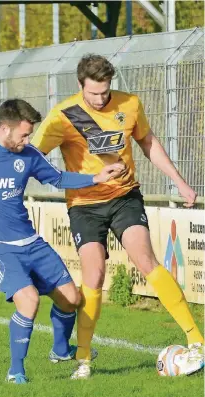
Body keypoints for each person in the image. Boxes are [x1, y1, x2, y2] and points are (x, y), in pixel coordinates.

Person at [32, 53, 204, 380]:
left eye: (105, 92)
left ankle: (196, 340)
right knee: (94, 276)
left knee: (146, 260)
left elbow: (148, 143)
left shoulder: (130, 105)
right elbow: (32, 157)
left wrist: (180, 182)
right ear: (80, 85)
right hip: (84, 204)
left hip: (125, 197)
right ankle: (83, 359)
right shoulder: (62, 116)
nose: (99, 99)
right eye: (93, 93)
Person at [0, 98, 125, 384]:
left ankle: (59, 350)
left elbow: (57, 178)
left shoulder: (28, 155)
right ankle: (16, 371)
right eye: (24, 134)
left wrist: (96, 177)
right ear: (5, 129)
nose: (28, 139)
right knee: (28, 301)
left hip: (30, 241)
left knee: (71, 299)